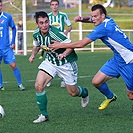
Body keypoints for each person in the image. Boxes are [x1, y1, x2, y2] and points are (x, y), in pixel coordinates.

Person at [49, 4, 133, 110]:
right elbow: (92, 20)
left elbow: (82, 43)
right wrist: (82, 19)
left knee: (131, 95)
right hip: (118, 59)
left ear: (103, 16)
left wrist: (60, 45)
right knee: (96, 82)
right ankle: (111, 97)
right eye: (92, 16)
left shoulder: (102, 28)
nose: (93, 19)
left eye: (95, 16)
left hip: (129, 62)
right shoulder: (108, 20)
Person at [29, 11, 89, 123]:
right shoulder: (36, 33)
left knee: (73, 92)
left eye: (46, 22)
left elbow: (72, 45)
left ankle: (84, 92)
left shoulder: (56, 33)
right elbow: (36, 45)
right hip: (51, 62)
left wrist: (64, 54)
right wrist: (33, 55)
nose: (44, 25)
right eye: (41, 23)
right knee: (38, 85)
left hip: (66, 64)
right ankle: (44, 115)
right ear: (37, 24)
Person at [39, 0, 72, 87]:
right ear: (50, 6)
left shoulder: (63, 15)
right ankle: (48, 77)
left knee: (62, 57)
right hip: (50, 39)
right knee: (49, 56)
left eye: (56, 4)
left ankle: (63, 79)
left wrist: (65, 33)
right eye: (53, 5)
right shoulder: (48, 16)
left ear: (58, 5)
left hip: (61, 40)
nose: (54, 6)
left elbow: (70, 26)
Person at [0, 0, 25, 91]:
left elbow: (14, 28)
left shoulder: (7, 17)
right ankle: (1, 85)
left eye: (0, 5)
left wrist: (13, 41)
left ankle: (20, 84)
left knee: (13, 65)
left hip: (7, 47)